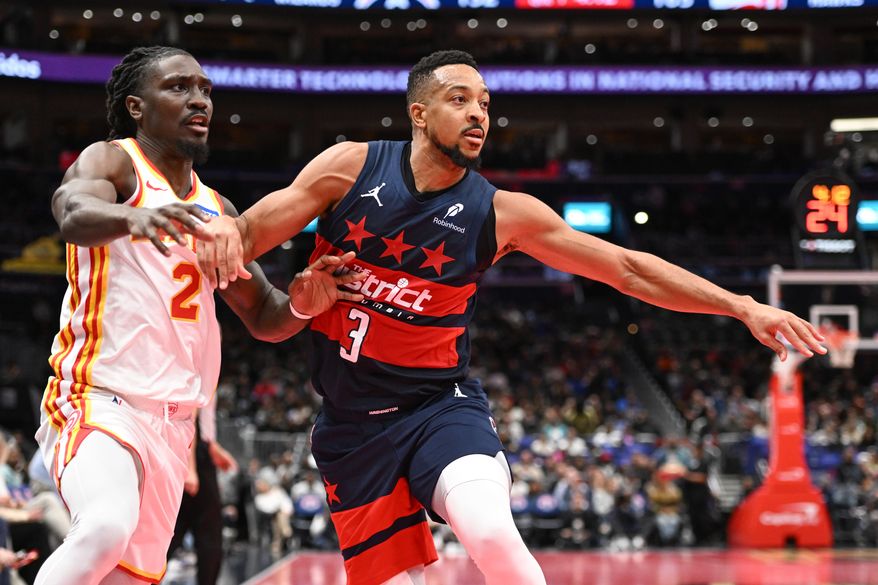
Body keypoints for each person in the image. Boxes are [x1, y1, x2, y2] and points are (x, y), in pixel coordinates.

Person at [197, 49, 828, 585]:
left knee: (494, 536)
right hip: (351, 431)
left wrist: (741, 306)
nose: (478, 114)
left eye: (486, 104)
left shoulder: (503, 212)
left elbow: (628, 269)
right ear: (418, 112)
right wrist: (226, 234)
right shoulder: (350, 168)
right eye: (459, 99)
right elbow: (245, 235)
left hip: (438, 407)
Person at [33, 46, 362, 585]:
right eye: (180, 87)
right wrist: (134, 218)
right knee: (104, 528)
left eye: (205, 89)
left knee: (125, 575)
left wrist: (308, 297)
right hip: (97, 398)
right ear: (137, 107)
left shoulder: (220, 212)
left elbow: (263, 314)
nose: (199, 99)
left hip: (173, 425)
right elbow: (71, 211)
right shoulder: (114, 161)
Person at [165, 396, 236, 585]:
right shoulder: (201, 366)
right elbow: (190, 411)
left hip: (194, 448)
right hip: (190, 452)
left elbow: (203, 413)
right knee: (207, 532)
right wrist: (190, 467)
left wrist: (212, 446)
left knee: (176, 526)